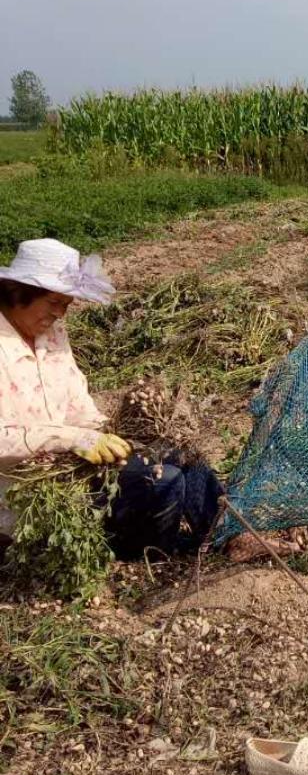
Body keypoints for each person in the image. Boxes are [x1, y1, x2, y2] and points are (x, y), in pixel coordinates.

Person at [0, 238, 278, 568]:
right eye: (53, 302)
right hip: (28, 496)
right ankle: (147, 556)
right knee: (164, 480)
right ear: (18, 292)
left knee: (178, 450)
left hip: (74, 466)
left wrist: (107, 432)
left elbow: (77, 401)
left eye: (67, 304)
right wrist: (72, 439)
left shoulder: (53, 335)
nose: (60, 313)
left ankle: (228, 535)